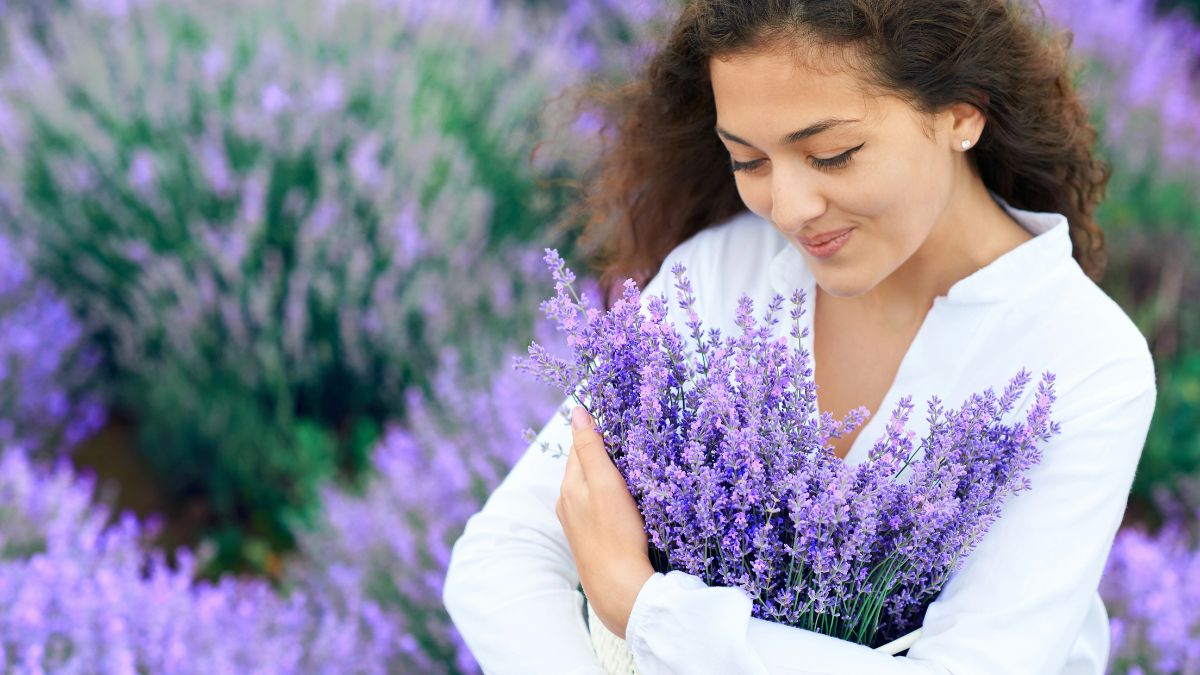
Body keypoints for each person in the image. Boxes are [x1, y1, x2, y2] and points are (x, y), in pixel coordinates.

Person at [443, 1, 1158, 673]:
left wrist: (646, 609)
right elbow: (504, 553)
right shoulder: (723, 273)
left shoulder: (1088, 361)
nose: (787, 207)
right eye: (749, 161)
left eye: (833, 153)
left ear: (961, 115)